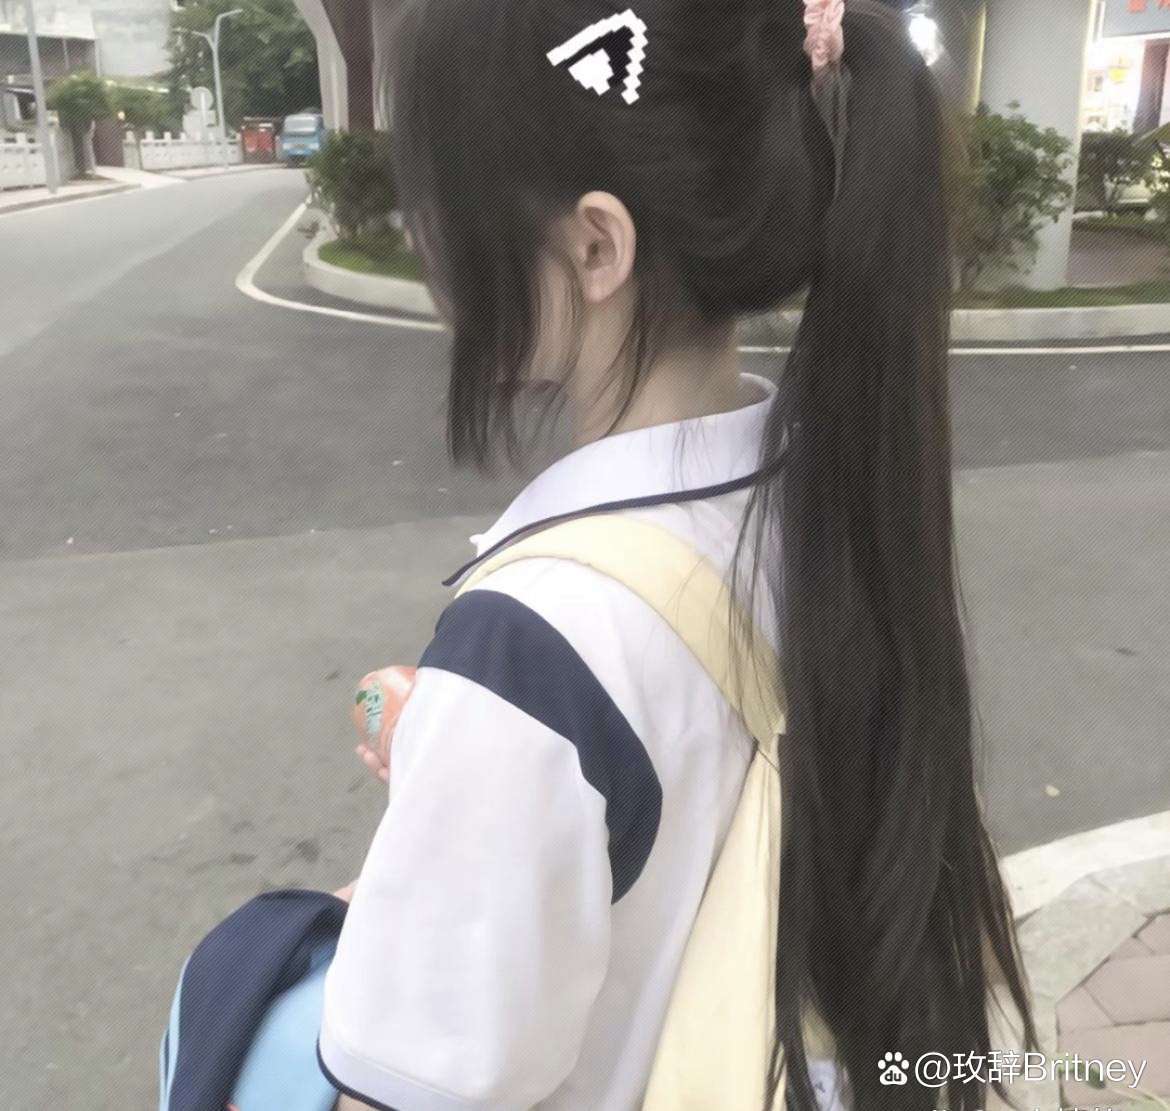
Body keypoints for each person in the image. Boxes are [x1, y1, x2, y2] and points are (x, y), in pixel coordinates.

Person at [317, 1, 1039, 1109]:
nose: (427, 238)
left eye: (445, 201)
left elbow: (408, 1079)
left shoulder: (532, 651)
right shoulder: (825, 504)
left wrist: (428, 837)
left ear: (596, 246)